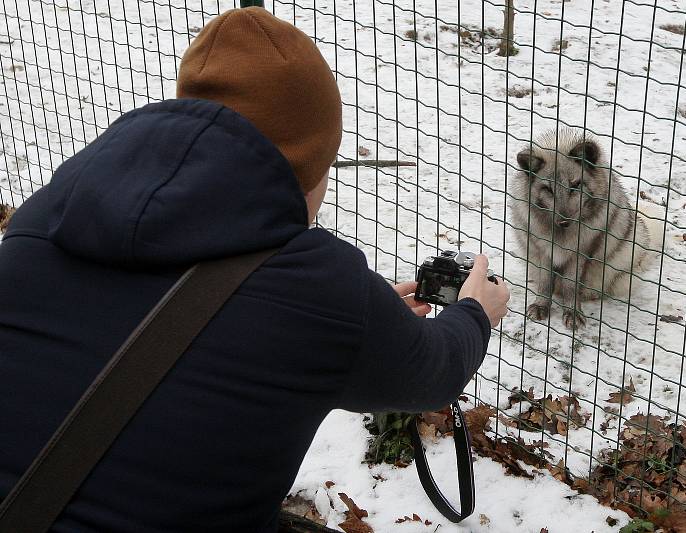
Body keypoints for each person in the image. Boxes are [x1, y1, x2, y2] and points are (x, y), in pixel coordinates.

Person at [0, 7, 509, 532]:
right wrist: (475, 312)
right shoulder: (321, 289)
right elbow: (434, 373)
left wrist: (352, 322)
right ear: (308, 165)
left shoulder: (42, 221)